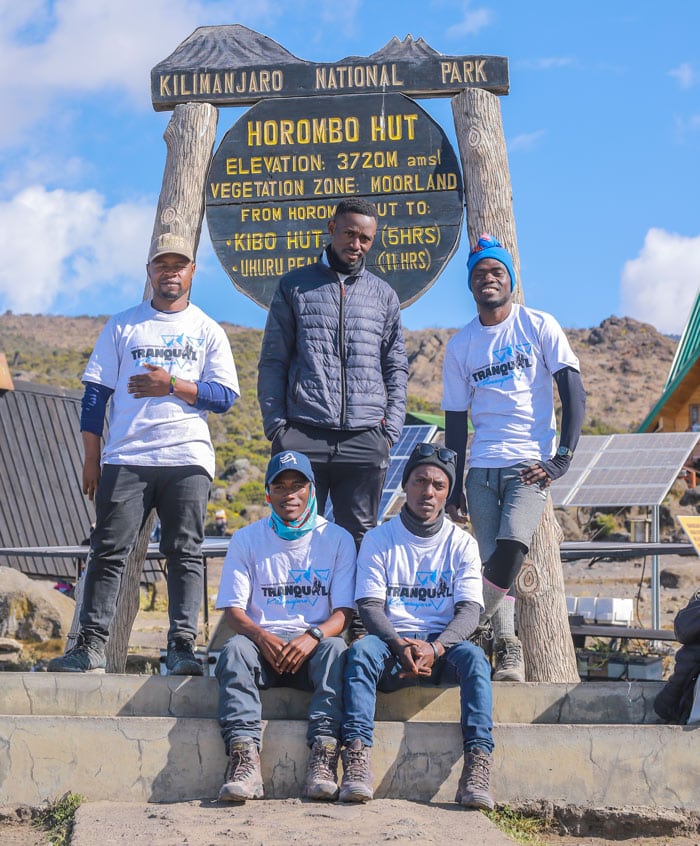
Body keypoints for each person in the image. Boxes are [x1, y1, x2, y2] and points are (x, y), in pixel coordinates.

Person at [49, 232, 240, 675]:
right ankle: (90, 646)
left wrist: (172, 385)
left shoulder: (207, 329)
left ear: (192, 271)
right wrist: (91, 458)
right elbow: (95, 396)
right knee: (108, 551)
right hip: (127, 457)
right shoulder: (122, 325)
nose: (170, 272)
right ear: (149, 270)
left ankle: (181, 649)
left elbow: (224, 395)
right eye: (162, 264)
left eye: (179, 265)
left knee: (184, 552)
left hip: (186, 458)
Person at [442, 234, 586, 682]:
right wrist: (451, 482)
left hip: (529, 466)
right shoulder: (461, 345)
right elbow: (453, 423)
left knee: (511, 550)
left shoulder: (538, 325)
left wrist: (562, 457)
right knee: (492, 566)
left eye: (496, 272)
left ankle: (458, 634)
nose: (489, 279)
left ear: (511, 281)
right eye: (480, 273)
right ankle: (509, 652)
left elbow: (572, 390)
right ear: (471, 285)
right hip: (480, 470)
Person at [338, 443, 495, 809]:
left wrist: (436, 648)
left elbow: (471, 610)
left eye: (438, 485)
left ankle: (478, 764)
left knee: (475, 660)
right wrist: (398, 644)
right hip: (392, 644)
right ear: (405, 485)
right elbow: (370, 605)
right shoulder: (379, 539)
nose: (428, 492)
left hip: (443, 649)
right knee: (360, 653)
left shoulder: (462, 544)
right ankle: (358, 757)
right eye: (420, 481)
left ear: (447, 493)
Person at [257, 197, 408, 550]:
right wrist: (277, 428)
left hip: (366, 437)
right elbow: (273, 361)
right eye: (349, 234)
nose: (356, 245)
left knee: (361, 538)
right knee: (297, 533)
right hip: (303, 432)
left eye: (365, 238)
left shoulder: (383, 295)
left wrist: (390, 430)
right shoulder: (294, 285)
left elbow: (395, 365)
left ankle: (354, 609)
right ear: (332, 229)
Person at [214, 450, 355, 801]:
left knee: (336, 649)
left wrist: (314, 636)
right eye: (280, 486)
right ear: (267, 493)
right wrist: (262, 637)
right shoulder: (246, 539)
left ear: (311, 490)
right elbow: (233, 611)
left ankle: (324, 756)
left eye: (298, 485)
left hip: (313, 647)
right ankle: (244, 759)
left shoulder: (337, 539)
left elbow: (343, 613)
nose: (289, 494)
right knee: (233, 650)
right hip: (264, 648)